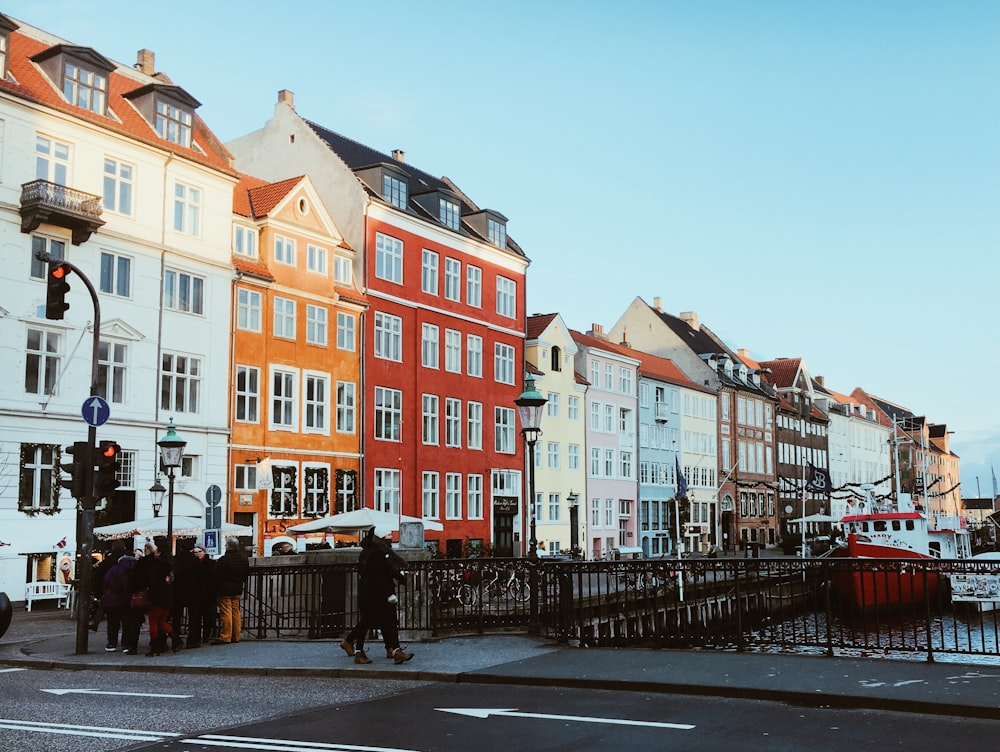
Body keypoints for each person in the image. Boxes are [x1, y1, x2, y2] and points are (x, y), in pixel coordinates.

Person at [347, 528, 412, 665]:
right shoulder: (376, 553)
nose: (391, 537)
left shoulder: (378, 551)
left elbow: (386, 571)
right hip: (375, 593)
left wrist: (401, 578)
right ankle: (361, 651)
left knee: (382, 622)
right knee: (370, 622)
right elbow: (380, 575)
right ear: (381, 537)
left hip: (375, 592)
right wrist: (389, 593)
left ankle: (394, 650)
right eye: (388, 534)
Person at [129, 541, 177, 656]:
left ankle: (154, 647)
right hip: (168, 597)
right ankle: (173, 640)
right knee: (162, 621)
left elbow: (150, 582)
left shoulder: (154, 565)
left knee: (153, 622)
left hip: (154, 597)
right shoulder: (170, 564)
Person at [212, 537, 249, 645]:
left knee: (226, 613)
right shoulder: (244, 558)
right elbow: (246, 573)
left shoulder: (224, 559)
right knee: (235, 611)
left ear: (228, 546)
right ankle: (236, 635)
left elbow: (217, 575)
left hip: (224, 589)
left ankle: (226, 636)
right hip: (237, 588)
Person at [102, 547, 140, 653]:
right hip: (128, 599)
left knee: (112, 623)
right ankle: (126, 644)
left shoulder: (114, 568)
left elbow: (106, 579)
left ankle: (112, 643)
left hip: (112, 599)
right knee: (127, 623)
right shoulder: (136, 569)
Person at [182, 543, 217, 648]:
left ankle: (206, 635)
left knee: (208, 616)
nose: (197, 554)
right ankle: (196, 637)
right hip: (196, 594)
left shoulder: (211, 563)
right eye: (195, 552)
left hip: (208, 593)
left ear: (204, 552)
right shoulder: (192, 564)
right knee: (195, 617)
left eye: (199, 552)